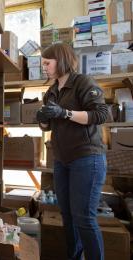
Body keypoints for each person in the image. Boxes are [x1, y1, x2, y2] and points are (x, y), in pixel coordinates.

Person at [37, 43, 108, 260]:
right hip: (62, 159)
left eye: (48, 63)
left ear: (62, 60)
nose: (44, 68)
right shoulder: (51, 91)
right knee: (67, 216)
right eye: (43, 64)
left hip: (86, 158)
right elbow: (49, 126)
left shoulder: (82, 83)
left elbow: (101, 114)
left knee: (84, 218)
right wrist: (42, 121)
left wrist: (65, 112)